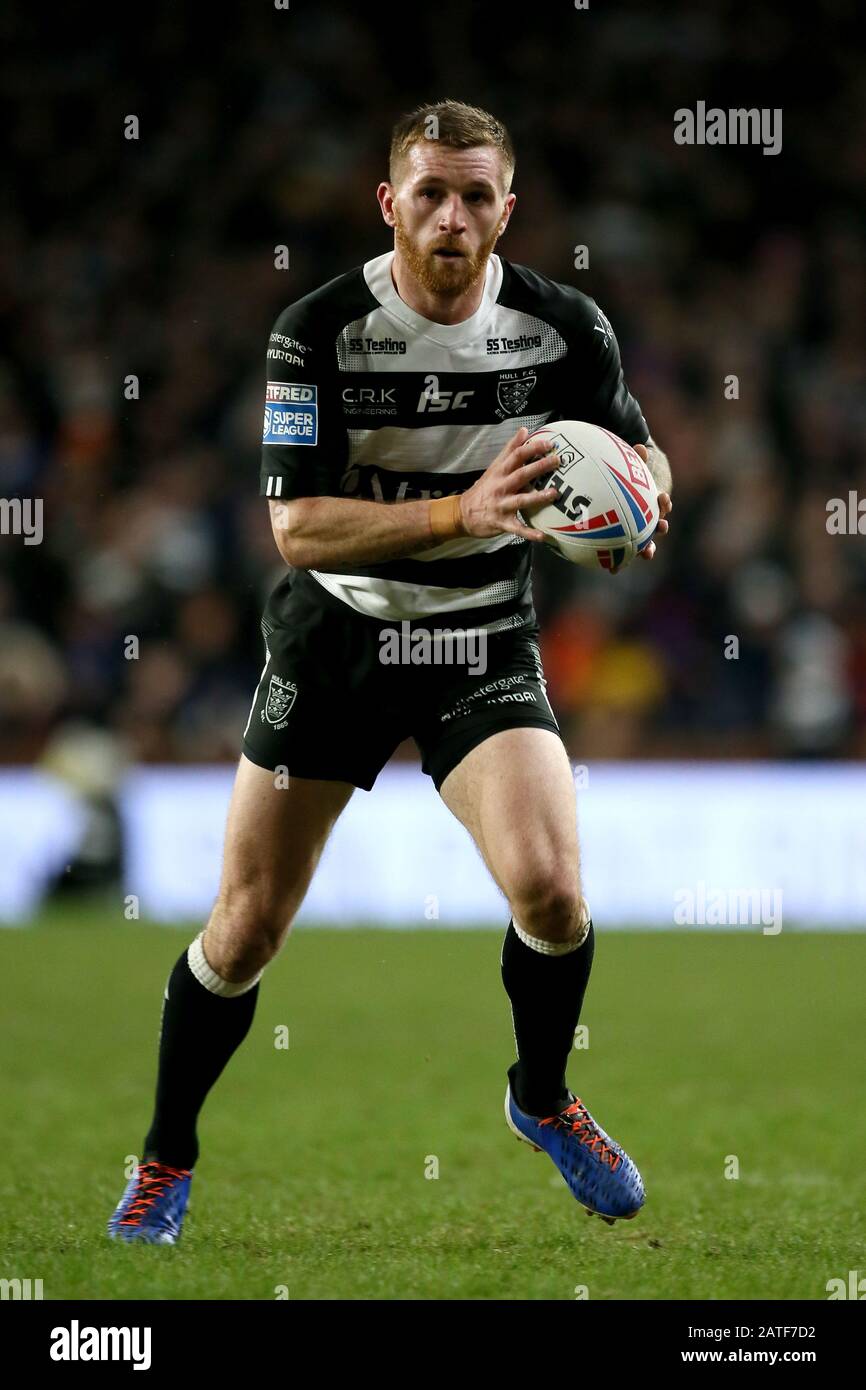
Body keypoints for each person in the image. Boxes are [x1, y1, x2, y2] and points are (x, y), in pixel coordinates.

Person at [108, 99, 672, 1243]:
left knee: (553, 895)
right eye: (430, 193)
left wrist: (639, 499)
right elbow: (297, 530)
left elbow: (637, 447)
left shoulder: (565, 328)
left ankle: (540, 1096)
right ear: (389, 204)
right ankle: (165, 1158)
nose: (452, 216)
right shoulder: (315, 331)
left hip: (479, 637)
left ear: (508, 210)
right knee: (245, 927)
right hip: (336, 639)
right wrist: (462, 507)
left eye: (476, 195)